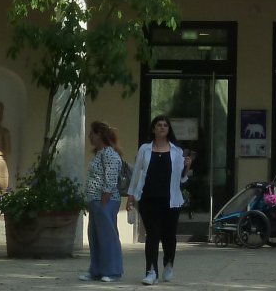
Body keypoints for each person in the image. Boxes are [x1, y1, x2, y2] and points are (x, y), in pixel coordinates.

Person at [127, 114, 193, 285]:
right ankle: (151, 272)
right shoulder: (145, 149)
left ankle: (169, 263)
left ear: (168, 129)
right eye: (159, 125)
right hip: (148, 199)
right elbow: (137, 173)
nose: (162, 127)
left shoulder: (177, 151)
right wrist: (131, 195)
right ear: (153, 129)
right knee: (152, 235)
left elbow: (181, 179)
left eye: (165, 125)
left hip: (171, 200)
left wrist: (187, 167)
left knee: (169, 236)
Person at [80, 121, 125, 283]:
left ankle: (113, 271)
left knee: (108, 236)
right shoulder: (99, 154)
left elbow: (110, 178)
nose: (89, 136)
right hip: (95, 200)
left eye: (92, 133)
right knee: (95, 236)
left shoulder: (109, 153)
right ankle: (96, 270)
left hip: (105, 200)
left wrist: (104, 199)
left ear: (99, 134)